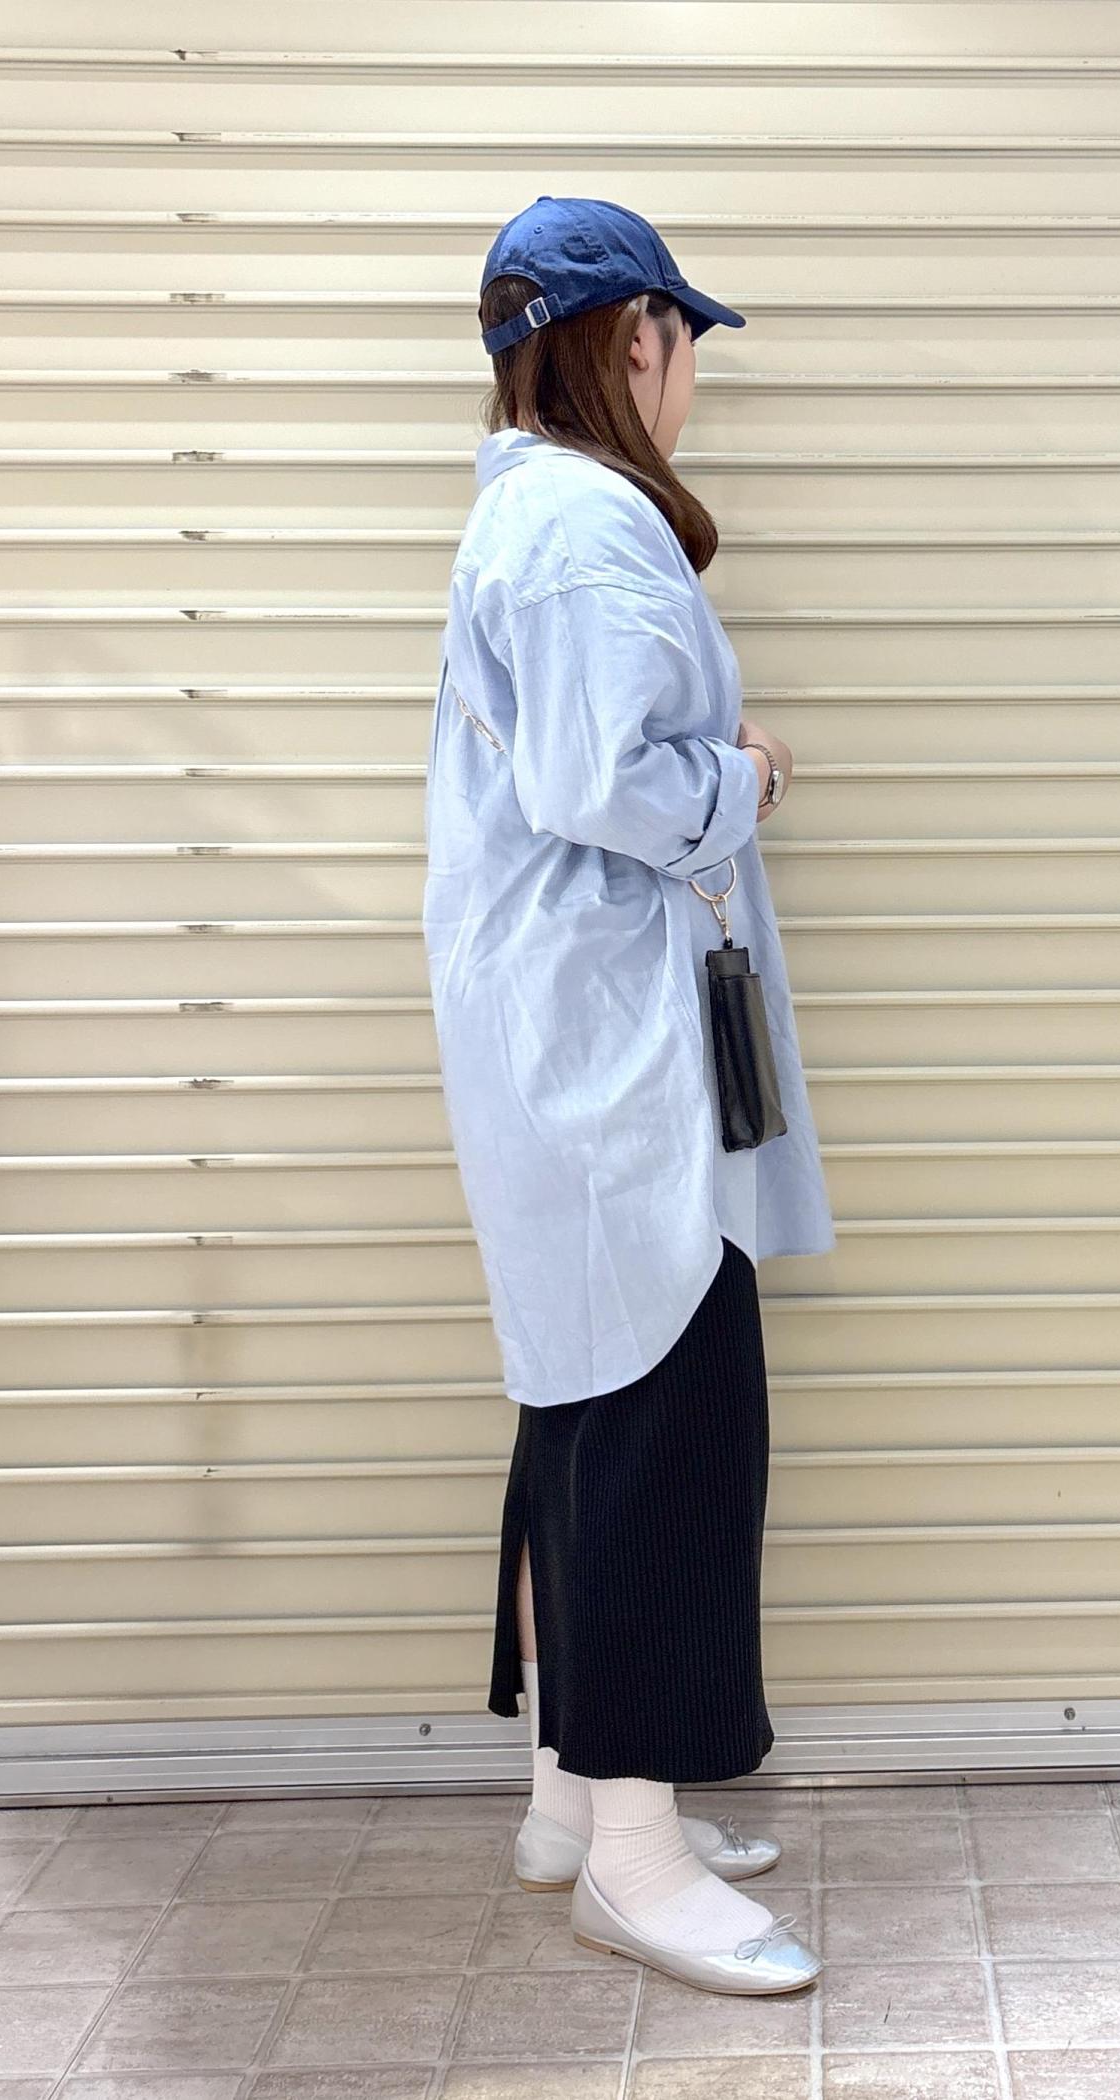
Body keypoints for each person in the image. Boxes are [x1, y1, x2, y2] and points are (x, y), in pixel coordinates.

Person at [421, 196, 836, 1996]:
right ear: (632, 338)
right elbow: (609, 784)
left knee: (585, 1410)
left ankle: (569, 1805)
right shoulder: (589, 524)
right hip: (606, 1063)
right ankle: (638, 1858)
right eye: (682, 344)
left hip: (568, 1045)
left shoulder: (531, 508)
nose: (688, 382)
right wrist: (747, 773)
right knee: (663, 1423)